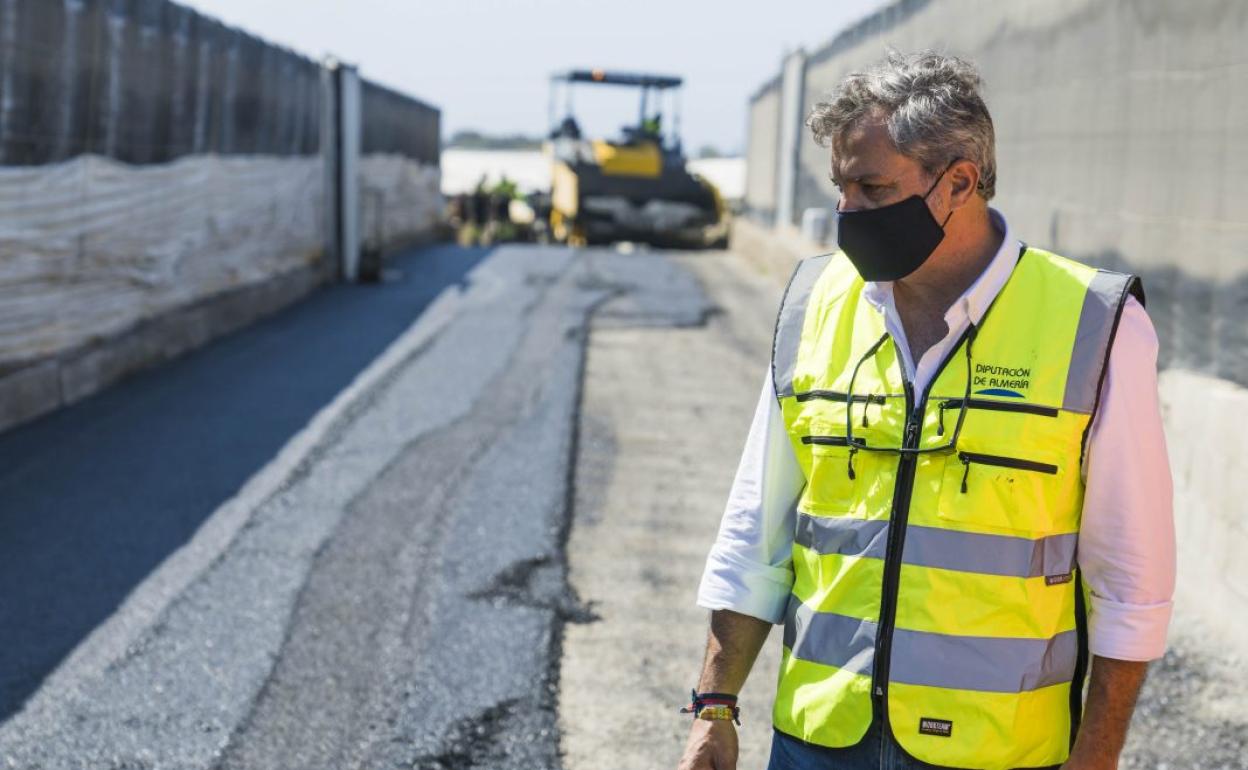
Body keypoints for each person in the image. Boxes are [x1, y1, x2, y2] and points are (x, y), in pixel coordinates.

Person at [676, 51, 1174, 770]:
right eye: (841, 185)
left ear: (960, 182)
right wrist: (714, 708)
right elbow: (755, 535)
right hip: (817, 744)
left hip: (997, 754)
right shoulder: (815, 305)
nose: (847, 210)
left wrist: (1096, 758)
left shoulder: (1095, 325)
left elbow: (1132, 583)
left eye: (872, 188)